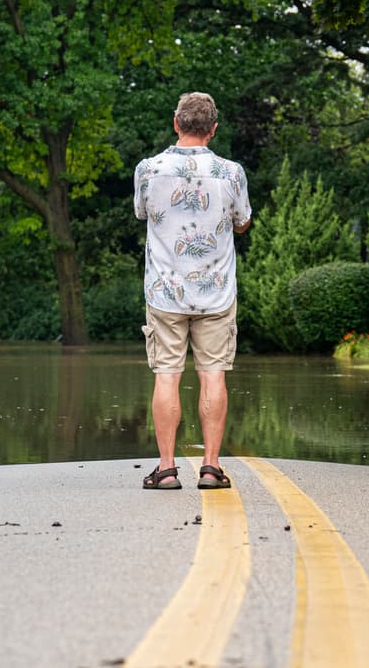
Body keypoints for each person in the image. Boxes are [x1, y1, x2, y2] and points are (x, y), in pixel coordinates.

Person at [134, 92, 252, 490]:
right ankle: (211, 468)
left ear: (176, 123)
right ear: (213, 129)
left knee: (167, 375)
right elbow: (242, 222)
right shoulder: (231, 172)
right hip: (216, 292)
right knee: (213, 375)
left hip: (165, 292)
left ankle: (166, 469)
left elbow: (142, 213)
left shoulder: (148, 170)